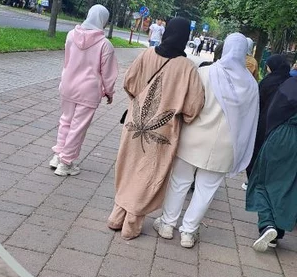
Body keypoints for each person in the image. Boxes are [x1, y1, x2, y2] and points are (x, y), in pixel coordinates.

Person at [152, 33, 258, 248]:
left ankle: (167, 224)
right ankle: (188, 232)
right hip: (225, 147)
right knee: (206, 190)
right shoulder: (250, 84)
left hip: (193, 138)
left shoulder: (205, 72)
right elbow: (250, 120)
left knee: (179, 182)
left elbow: (190, 104)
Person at [107, 18, 206, 240]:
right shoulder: (188, 68)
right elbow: (193, 106)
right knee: (150, 173)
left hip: (135, 123)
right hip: (162, 130)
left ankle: (116, 216)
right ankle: (131, 222)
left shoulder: (147, 54)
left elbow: (129, 82)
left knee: (128, 166)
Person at [48, 5, 118, 177]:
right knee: (77, 127)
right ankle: (66, 163)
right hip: (89, 90)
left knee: (65, 121)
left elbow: (67, 61)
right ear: (104, 20)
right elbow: (107, 73)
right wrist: (109, 92)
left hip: (68, 85)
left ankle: (58, 156)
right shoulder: (104, 44)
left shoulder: (71, 35)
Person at [246, 72, 297, 253]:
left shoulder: (291, 84)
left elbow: (273, 112)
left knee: (263, 180)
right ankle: (278, 233)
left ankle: (267, 224)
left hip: (283, 136)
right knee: (288, 187)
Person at [249, 54, 291, 179]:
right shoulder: (290, 81)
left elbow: (258, 102)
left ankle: (254, 178)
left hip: (264, 122)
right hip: (282, 124)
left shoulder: (267, 82)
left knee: (258, 151)